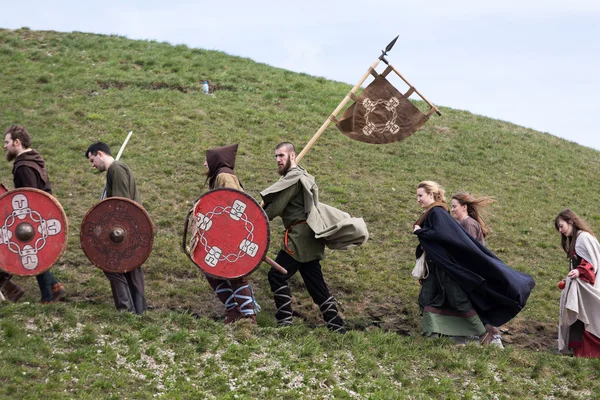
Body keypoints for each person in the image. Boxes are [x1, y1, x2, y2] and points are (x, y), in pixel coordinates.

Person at [260, 142, 367, 333]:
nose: (277, 160)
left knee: (276, 275)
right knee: (315, 283)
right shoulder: (300, 175)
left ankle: (285, 321)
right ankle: (336, 326)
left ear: (292, 156)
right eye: (276, 156)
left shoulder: (293, 179)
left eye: (281, 156)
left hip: (300, 239)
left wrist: (254, 217)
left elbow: (275, 209)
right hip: (309, 237)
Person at [413, 181, 535, 344]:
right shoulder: (435, 212)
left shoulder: (437, 212)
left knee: (457, 301)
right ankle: (436, 333)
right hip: (441, 269)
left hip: (447, 270)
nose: (418, 199)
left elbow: (444, 236)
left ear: (431, 194)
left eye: (420, 195)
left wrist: (421, 232)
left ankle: (483, 335)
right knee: (431, 298)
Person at [2, 125, 66, 303]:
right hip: (41, 216)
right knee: (33, 251)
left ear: (17, 142)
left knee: (32, 252)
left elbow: (31, 198)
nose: (4, 146)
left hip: (33, 218)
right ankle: (54, 286)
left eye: (7, 142)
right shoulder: (34, 160)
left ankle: (49, 295)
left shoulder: (24, 166)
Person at [85, 142, 146, 315]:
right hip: (131, 229)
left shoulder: (116, 169)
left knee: (111, 265)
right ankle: (140, 311)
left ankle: (126, 310)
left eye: (92, 160)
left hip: (123, 231)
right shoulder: (118, 169)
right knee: (132, 268)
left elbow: (120, 206)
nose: (93, 165)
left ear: (99, 153)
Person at [201, 144, 258, 323]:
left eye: (207, 160)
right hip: (224, 234)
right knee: (211, 270)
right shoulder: (220, 176)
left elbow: (236, 204)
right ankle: (234, 311)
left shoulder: (225, 176)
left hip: (233, 235)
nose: (204, 164)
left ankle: (248, 316)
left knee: (236, 273)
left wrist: (229, 233)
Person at [450, 191, 502, 347]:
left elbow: (470, 252)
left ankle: (493, 339)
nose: (452, 210)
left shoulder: (468, 224)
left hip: (474, 275)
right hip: (474, 275)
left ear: (464, 207)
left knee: (476, 306)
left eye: (454, 206)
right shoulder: (466, 224)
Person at [555, 209, 600, 358]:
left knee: (588, 318)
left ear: (571, 222)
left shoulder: (583, 238)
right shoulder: (577, 239)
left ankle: (588, 352)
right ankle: (580, 352)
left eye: (561, 226)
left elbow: (591, 264)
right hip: (581, 286)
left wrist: (579, 272)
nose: (561, 231)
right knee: (579, 317)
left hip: (588, 287)